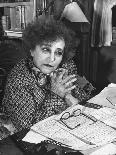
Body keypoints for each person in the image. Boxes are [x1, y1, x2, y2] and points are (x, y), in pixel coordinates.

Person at [2, 16, 94, 133]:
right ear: (32, 50)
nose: (52, 59)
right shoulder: (18, 79)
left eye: (58, 52)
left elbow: (83, 99)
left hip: (63, 128)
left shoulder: (66, 66)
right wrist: (55, 94)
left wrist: (68, 96)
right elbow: (27, 128)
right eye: (46, 49)